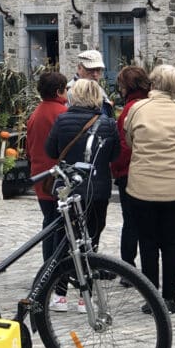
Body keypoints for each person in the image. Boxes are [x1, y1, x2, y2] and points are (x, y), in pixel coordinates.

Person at [125, 64, 175, 315]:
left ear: (153, 84)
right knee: (171, 242)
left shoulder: (138, 109)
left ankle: (152, 296)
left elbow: (129, 139)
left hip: (142, 185)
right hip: (174, 185)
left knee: (147, 242)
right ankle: (171, 297)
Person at [45, 78, 119, 312]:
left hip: (68, 187)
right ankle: (83, 296)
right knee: (90, 240)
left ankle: (59, 294)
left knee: (65, 240)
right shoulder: (107, 123)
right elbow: (114, 155)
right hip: (96, 189)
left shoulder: (62, 120)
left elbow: (51, 150)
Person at [109, 65, 151, 273]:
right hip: (150, 171)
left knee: (131, 223)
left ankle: (128, 269)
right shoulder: (150, 103)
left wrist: (116, 168)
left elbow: (124, 145)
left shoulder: (130, 108)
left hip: (131, 172)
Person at [26, 71, 69, 264]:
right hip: (56, 176)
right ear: (59, 91)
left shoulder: (36, 113)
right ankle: (55, 267)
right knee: (59, 224)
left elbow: (29, 146)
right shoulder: (62, 114)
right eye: (66, 89)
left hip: (40, 174)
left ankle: (48, 264)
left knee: (49, 221)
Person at [67, 50, 113, 117]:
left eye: (98, 70)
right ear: (79, 68)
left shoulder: (99, 89)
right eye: (90, 70)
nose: (95, 74)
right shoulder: (71, 91)